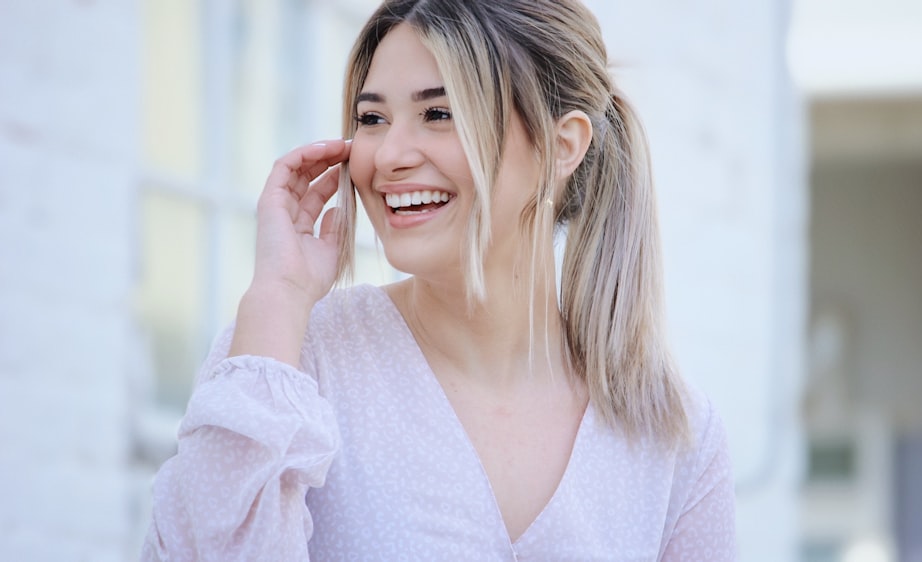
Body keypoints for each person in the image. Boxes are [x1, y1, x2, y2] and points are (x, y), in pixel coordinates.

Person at [141, 0, 736, 560]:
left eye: (439, 113)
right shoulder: (286, 363)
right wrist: (277, 295)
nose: (389, 154)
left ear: (562, 146)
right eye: (372, 118)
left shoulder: (674, 436)